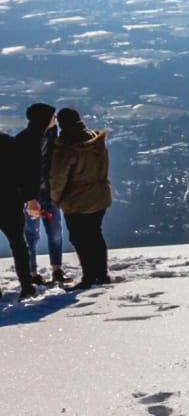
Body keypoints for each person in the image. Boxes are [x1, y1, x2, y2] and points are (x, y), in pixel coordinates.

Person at [49, 107, 111, 290]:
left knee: (79, 238)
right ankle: (102, 273)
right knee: (95, 234)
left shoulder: (66, 147)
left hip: (77, 199)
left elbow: (57, 178)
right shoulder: (95, 140)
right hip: (100, 194)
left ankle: (89, 276)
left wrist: (56, 199)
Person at [18, 103, 66, 288]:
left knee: (54, 232)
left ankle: (56, 270)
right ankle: (32, 273)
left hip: (49, 192)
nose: (55, 120)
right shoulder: (26, 140)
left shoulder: (51, 136)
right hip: (33, 196)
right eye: (52, 117)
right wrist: (29, 199)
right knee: (32, 235)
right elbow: (21, 173)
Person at [2, 131, 39, 301]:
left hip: (10, 201)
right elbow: (22, 174)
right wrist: (29, 197)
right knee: (18, 244)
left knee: (18, 244)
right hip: (10, 202)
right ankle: (26, 285)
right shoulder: (9, 144)